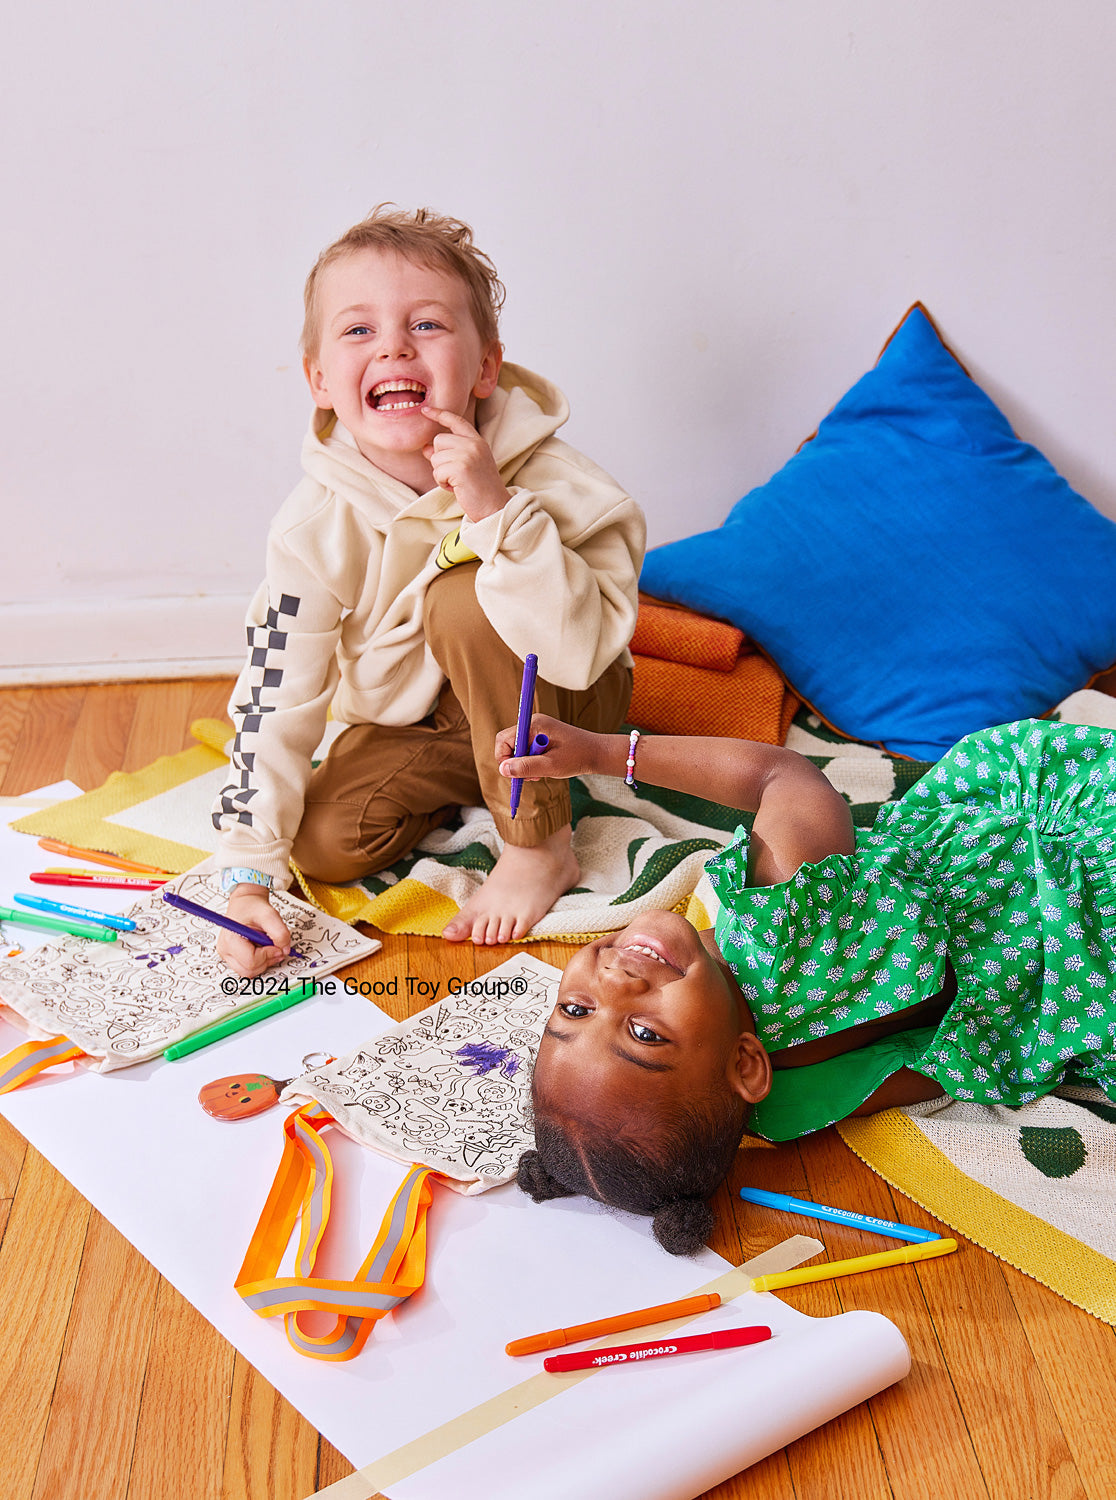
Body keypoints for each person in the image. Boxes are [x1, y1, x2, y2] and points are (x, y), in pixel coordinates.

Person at [495, 713, 1116, 1254]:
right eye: (643, 1032)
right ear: (744, 1063)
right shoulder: (781, 917)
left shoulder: (774, 1114)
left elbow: (927, 1064)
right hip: (1068, 835)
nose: (617, 982)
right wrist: (604, 755)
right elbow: (782, 776)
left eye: (575, 1010)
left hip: (1067, 982)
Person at [213, 207, 644, 973]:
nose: (393, 347)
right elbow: (275, 688)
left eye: (427, 326)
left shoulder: (564, 485)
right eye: (358, 332)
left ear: (485, 369)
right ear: (319, 381)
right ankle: (481, 774)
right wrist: (249, 877)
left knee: (464, 592)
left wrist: (493, 513)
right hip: (429, 720)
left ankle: (536, 844)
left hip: (562, 699)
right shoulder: (312, 526)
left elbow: (576, 654)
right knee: (327, 843)